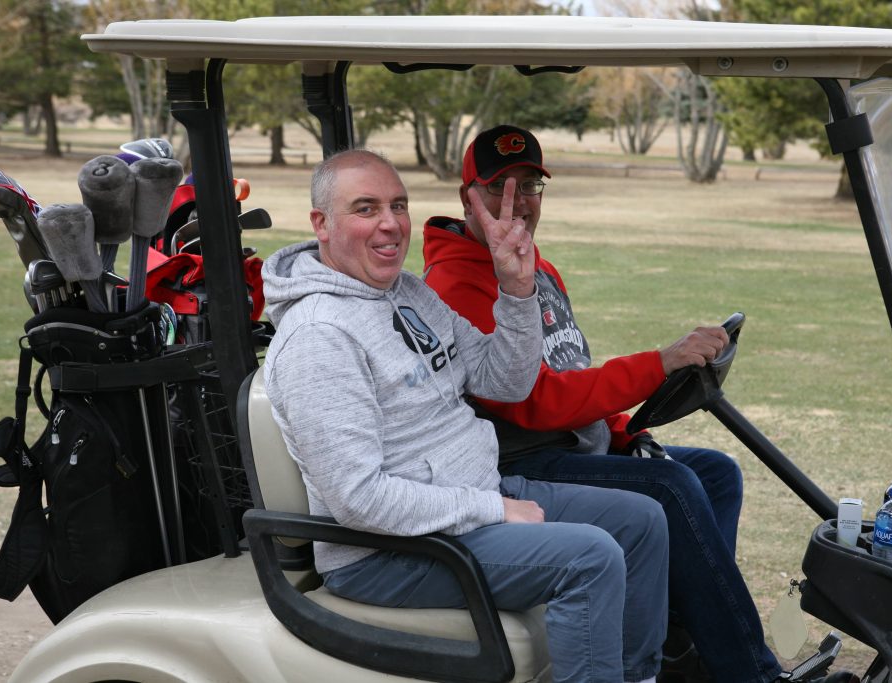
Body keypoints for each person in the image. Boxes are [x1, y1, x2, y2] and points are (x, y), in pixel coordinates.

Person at [261, 149, 670, 683]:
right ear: (322, 223)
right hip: (386, 552)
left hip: (465, 501)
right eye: (366, 208)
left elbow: (504, 380)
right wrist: (492, 510)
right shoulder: (320, 338)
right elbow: (358, 499)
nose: (390, 224)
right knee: (588, 559)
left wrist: (517, 290)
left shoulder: (407, 294)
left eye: (398, 206)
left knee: (642, 521)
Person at [422, 125, 784, 683]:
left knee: (714, 473)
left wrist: (623, 431)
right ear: (466, 196)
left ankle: (683, 645)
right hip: (518, 462)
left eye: (530, 186)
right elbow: (533, 402)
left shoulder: (535, 267)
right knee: (671, 487)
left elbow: (571, 371)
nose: (516, 203)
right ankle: (748, 672)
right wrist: (659, 363)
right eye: (498, 188)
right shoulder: (456, 284)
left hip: (568, 444)